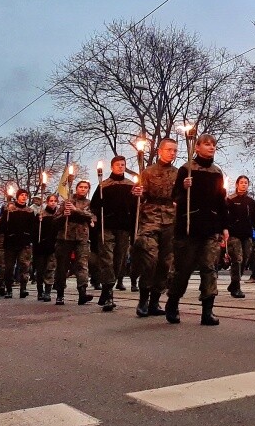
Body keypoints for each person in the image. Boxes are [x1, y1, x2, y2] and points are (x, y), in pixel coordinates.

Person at [165, 133, 228, 326]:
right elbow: (175, 197)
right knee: (183, 268)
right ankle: (173, 301)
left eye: (213, 145)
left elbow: (220, 201)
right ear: (197, 147)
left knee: (209, 268)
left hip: (210, 227)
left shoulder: (217, 172)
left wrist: (224, 226)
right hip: (189, 226)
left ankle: (207, 310)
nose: (211, 148)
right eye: (207, 144)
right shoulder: (186, 170)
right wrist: (184, 188)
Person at [131, 137, 179, 318]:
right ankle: (143, 297)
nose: (172, 153)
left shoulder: (179, 173)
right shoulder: (148, 172)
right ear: (160, 151)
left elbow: (181, 197)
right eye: (169, 150)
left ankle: (155, 300)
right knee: (151, 259)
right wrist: (138, 193)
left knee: (165, 262)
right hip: (150, 218)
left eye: (175, 150)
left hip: (170, 219)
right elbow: (140, 197)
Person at [91, 155, 137, 312]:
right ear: (112, 167)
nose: (121, 167)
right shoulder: (104, 185)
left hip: (124, 226)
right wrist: (99, 208)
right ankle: (109, 293)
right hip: (107, 226)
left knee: (120, 260)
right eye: (118, 165)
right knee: (107, 258)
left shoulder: (130, 185)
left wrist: (138, 197)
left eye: (123, 165)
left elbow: (136, 207)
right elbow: (94, 205)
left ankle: (106, 288)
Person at [53, 180, 96, 306]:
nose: (83, 189)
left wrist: (75, 210)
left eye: (86, 187)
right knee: (62, 266)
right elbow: (55, 219)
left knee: (82, 265)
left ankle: (82, 292)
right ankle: (60, 294)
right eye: (81, 187)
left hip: (82, 237)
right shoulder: (66, 201)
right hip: (65, 237)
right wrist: (64, 215)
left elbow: (91, 216)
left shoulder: (89, 203)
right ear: (76, 188)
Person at [226, 175, 255, 298]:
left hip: (247, 234)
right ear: (237, 184)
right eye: (241, 182)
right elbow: (225, 217)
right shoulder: (230, 200)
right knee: (237, 259)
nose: (243, 184)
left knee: (245, 259)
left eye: (246, 182)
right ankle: (236, 286)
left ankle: (233, 282)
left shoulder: (251, 202)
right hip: (234, 234)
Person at [0, 188, 37, 299]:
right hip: (10, 242)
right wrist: (7, 216)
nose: (24, 197)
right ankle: (8, 289)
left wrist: (30, 237)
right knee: (9, 267)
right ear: (17, 196)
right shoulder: (9, 210)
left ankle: (23, 288)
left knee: (24, 265)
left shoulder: (29, 211)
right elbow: (1, 227)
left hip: (24, 243)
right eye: (22, 195)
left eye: (26, 195)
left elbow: (33, 228)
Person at [33, 193, 59, 301]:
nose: (53, 203)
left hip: (53, 246)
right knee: (40, 269)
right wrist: (38, 222)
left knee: (50, 269)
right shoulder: (40, 214)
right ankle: (40, 291)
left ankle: (48, 291)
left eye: (54, 201)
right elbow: (34, 231)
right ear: (47, 202)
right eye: (51, 201)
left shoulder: (58, 215)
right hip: (41, 246)